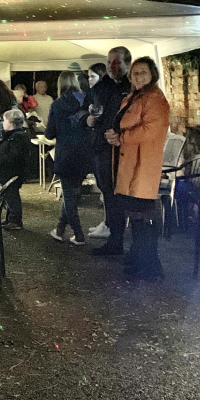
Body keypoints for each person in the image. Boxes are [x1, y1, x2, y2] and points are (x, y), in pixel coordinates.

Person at [105, 57, 170, 280]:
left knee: (142, 216)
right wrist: (113, 135)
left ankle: (149, 266)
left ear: (152, 74)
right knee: (135, 216)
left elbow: (151, 129)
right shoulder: (134, 97)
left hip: (142, 165)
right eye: (134, 73)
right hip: (130, 163)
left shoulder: (155, 99)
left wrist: (121, 138)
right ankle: (141, 260)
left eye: (142, 72)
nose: (137, 76)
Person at [88, 47, 132, 250]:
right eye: (109, 63)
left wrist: (121, 134)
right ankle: (114, 237)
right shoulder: (101, 86)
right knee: (107, 192)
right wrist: (87, 119)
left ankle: (117, 240)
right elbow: (85, 108)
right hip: (100, 147)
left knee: (118, 195)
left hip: (121, 150)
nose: (112, 66)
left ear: (127, 64)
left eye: (116, 62)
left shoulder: (133, 87)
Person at [45, 72, 93, 245]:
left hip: (66, 154)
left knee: (70, 197)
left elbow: (49, 133)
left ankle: (79, 235)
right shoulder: (85, 101)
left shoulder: (57, 105)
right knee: (71, 194)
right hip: (84, 154)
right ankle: (59, 230)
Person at [0, 109, 32, 230]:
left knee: (12, 196)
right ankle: (10, 218)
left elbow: (12, 156)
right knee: (10, 196)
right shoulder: (14, 136)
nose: (3, 122)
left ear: (11, 123)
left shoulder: (17, 137)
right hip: (12, 171)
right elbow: (1, 149)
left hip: (12, 172)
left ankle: (15, 220)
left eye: (4, 120)